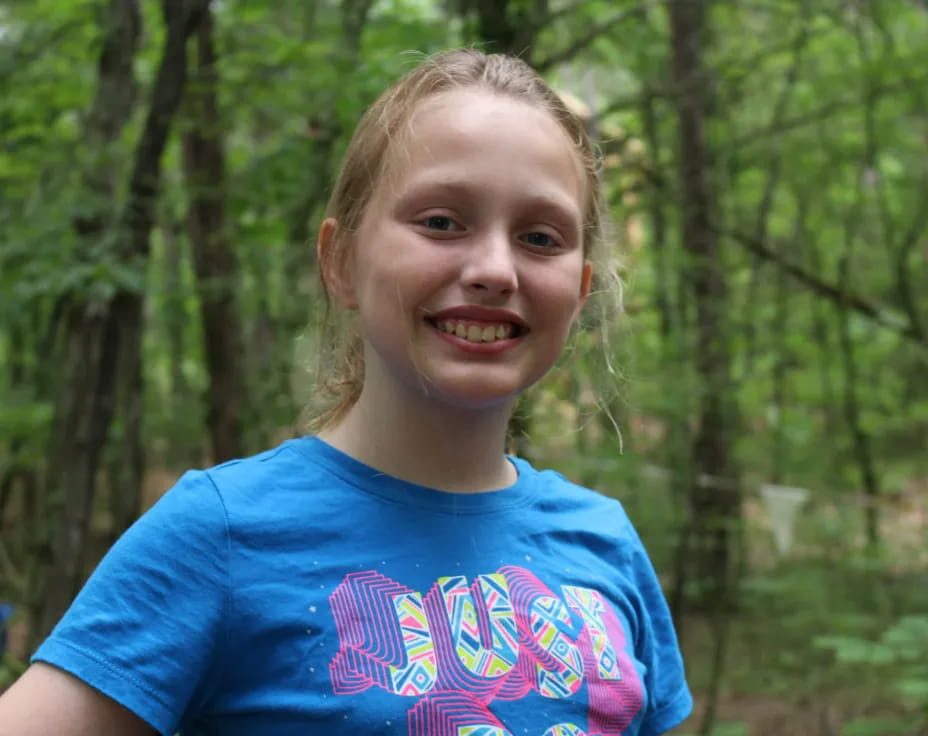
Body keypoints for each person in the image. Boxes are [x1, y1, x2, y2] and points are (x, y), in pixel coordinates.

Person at [0, 49, 692, 735]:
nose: (493, 270)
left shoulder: (604, 544)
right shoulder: (222, 534)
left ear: (577, 292)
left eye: (540, 237)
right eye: (441, 222)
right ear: (340, 262)